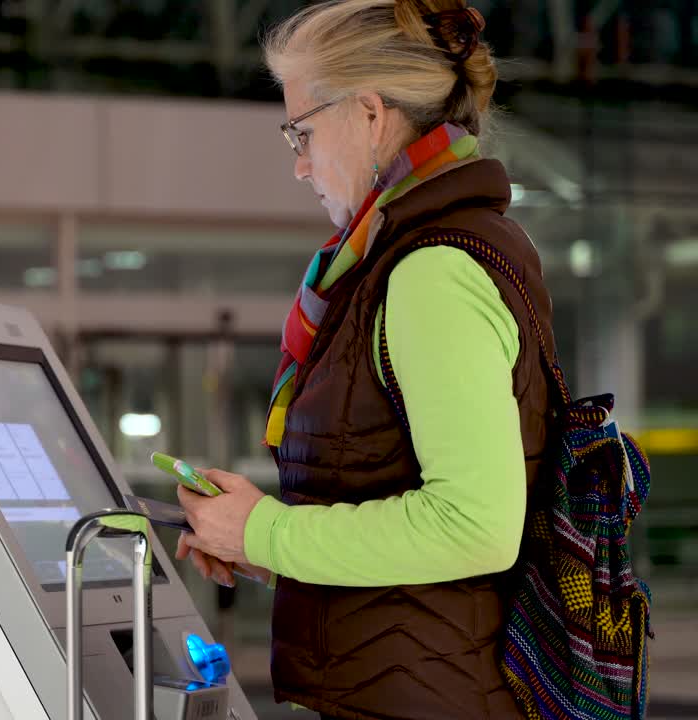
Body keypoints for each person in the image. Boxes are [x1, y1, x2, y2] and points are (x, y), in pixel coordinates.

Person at [173, 1, 558, 718]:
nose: (299, 164)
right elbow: (402, 509)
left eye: (303, 132)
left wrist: (269, 530)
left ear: (371, 116)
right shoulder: (410, 257)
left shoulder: (431, 269)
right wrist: (269, 547)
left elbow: (474, 524)